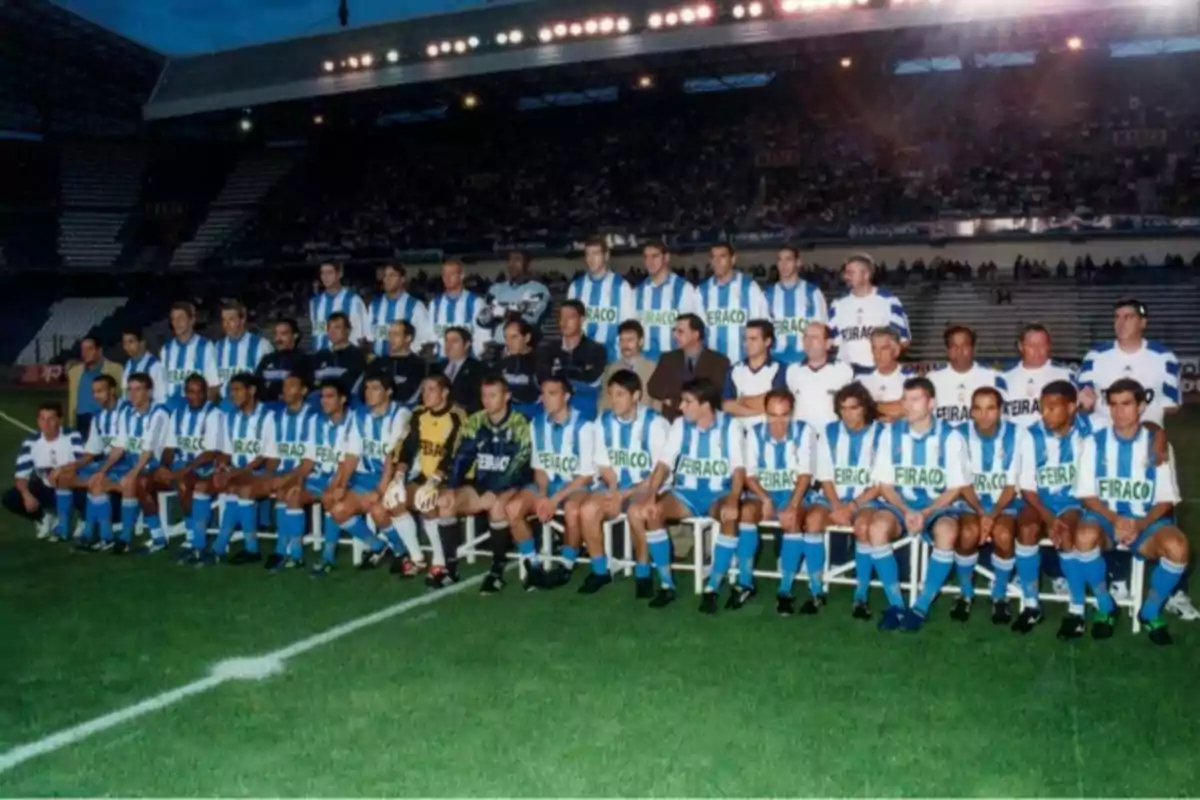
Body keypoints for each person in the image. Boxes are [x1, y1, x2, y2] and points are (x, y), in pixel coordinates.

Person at [1074, 378, 1188, 646]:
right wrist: (1115, 519)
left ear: (1141, 406)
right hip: (1105, 518)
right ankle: (1106, 605)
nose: (1118, 411)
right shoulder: (1093, 443)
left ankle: (1149, 612)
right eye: (1113, 405)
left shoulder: (1157, 447)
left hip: (1147, 522)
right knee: (1084, 536)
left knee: (1178, 548)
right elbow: (1087, 494)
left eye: (1126, 404)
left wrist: (1138, 523)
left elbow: (1165, 500)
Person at [627, 378, 747, 611]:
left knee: (729, 516)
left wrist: (733, 499)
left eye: (687, 401)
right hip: (686, 493)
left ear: (705, 405)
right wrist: (652, 494)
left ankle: (712, 587)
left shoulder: (731, 426)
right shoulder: (681, 425)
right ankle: (666, 585)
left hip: (717, 493)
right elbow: (663, 464)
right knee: (653, 512)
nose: (681, 406)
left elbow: (738, 469)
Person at [870, 376, 971, 632]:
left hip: (937, 506)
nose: (908, 405)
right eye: (905, 399)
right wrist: (906, 511)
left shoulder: (950, 437)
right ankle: (896, 605)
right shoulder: (890, 434)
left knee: (947, 532)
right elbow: (885, 485)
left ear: (931, 403)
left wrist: (926, 512)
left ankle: (921, 606)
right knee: (877, 528)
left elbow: (955, 488)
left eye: (916, 399)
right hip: (900, 504)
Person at [430, 376, 533, 595]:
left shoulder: (520, 422)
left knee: (497, 507)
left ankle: (497, 571)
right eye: (484, 395)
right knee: (446, 500)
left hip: (513, 485)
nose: (487, 400)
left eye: (493, 395)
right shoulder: (475, 421)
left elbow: (519, 463)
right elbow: (462, 457)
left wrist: (495, 492)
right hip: (482, 484)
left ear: (506, 397)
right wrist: (451, 485)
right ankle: (450, 569)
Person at [583, 370, 671, 597]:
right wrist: (613, 491)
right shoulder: (602, 421)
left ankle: (643, 573)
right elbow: (602, 463)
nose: (614, 400)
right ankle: (600, 570)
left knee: (636, 512)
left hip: (649, 487)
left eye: (620, 394)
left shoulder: (655, 423)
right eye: (611, 394)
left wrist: (625, 494)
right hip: (616, 485)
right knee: (588, 510)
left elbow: (659, 473)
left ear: (636, 396)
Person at [1014, 380, 1092, 635]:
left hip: (1075, 500)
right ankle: (1031, 604)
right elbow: (1027, 487)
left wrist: (1157, 435)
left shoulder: (1091, 429)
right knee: (1026, 528)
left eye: (1052, 408)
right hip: (1038, 500)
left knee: (1068, 530)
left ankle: (1077, 610)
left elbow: (1140, 424)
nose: (1045, 414)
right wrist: (1048, 518)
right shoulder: (1030, 435)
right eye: (1042, 407)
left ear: (1071, 407)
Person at [505, 377, 597, 590]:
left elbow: (586, 476)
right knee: (512, 508)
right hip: (548, 485)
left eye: (552, 393)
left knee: (573, 510)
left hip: (576, 485)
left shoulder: (584, 427)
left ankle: (565, 566)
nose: (545, 399)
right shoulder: (537, 424)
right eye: (543, 393)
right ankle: (533, 567)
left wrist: (554, 500)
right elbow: (539, 468)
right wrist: (543, 495)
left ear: (566, 397)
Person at [318, 374, 411, 575]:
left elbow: (392, 457)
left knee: (377, 509)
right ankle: (379, 547)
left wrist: (379, 490)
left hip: (394, 477)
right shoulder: (359, 416)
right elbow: (351, 455)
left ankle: (402, 552)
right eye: (367, 388)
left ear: (389, 392)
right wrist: (341, 484)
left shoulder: (400, 414)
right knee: (338, 509)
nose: (369, 393)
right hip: (364, 477)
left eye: (375, 388)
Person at [811, 382, 886, 619]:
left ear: (865, 407)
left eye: (853, 408)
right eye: (842, 408)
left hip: (867, 501)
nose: (847, 414)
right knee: (813, 521)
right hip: (834, 499)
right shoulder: (831, 431)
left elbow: (880, 484)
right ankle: (816, 591)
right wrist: (836, 507)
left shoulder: (882, 434)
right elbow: (825, 476)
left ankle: (860, 596)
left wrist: (852, 507)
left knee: (864, 527)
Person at [740, 389, 818, 614]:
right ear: (765, 413)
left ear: (791, 413)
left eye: (783, 415)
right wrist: (764, 498)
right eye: (773, 415)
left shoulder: (804, 431)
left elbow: (805, 475)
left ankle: (785, 590)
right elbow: (750, 474)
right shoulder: (755, 433)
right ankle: (746, 583)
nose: (778, 421)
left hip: (794, 493)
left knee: (792, 519)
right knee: (746, 513)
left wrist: (792, 505)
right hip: (764, 492)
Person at [386, 374, 467, 583]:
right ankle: (417, 558)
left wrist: (434, 481)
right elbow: (406, 447)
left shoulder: (458, 415)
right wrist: (398, 476)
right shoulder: (418, 414)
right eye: (424, 390)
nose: (426, 394)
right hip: (425, 476)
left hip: (452, 479)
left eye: (432, 389)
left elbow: (453, 453)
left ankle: (439, 561)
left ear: (444, 392)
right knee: (393, 500)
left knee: (427, 500)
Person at [190, 373, 277, 565]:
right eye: (231, 391)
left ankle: (243, 548)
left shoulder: (267, 417)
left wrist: (233, 473)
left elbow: (265, 457)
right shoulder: (230, 418)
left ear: (252, 390)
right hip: (237, 472)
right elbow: (226, 452)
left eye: (237, 390)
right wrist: (221, 467)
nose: (233, 395)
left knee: (238, 489)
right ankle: (197, 546)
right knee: (202, 487)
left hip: (261, 473)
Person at [83, 373, 170, 555]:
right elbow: (119, 447)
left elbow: (148, 450)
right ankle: (105, 537)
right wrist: (102, 470)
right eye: (130, 390)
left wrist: (132, 473)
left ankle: (126, 538)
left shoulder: (159, 413)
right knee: (97, 481)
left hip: (152, 465)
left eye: (138, 389)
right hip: (131, 463)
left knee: (131, 482)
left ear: (149, 392)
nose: (133, 394)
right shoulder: (127, 413)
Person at [957, 387, 1023, 625]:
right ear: (971, 411)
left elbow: (1011, 483)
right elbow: (962, 482)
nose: (984, 415)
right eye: (979, 409)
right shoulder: (959, 435)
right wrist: (981, 513)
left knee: (1004, 535)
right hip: (971, 501)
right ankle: (965, 592)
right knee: (967, 534)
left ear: (1001, 411)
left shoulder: (1016, 434)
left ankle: (1000, 595)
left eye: (991, 408)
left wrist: (992, 514)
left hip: (1003, 502)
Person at [277, 381, 359, 573]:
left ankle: (327, 557)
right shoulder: (316, 422)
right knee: (293, 495)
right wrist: (298, 481)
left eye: (330, 396)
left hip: (348, 478)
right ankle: (295, 556)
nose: (324, 401)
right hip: (319, 477)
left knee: (330, 498)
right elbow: (308, 460)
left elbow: (347, 463)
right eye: (322, 396)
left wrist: (335, 486)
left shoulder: (354, 422)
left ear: (343, 399)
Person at [146, 374, 222, 560]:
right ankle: (157, 536)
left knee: (183, 483)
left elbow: (211, 453)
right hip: (181, 468)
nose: (194, 396)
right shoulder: (178, 413)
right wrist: (164, 466)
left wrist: (184, 470)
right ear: (184, 393)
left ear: (206, 394)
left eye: (199, 392)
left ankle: (192, 535)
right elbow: (170, 446)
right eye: (190, 392)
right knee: (142, 481)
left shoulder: (214, 413)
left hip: (205, 469)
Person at [1078, 299, 1180, 428]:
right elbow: (1083, 399)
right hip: (1103, 439)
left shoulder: (1164, 357)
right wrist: (1084, 400)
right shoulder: (1094, 356)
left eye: (1128, 317)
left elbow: (1172, 405)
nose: (1121, 323)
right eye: (1117, 317)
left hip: (1146, 438)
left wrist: (1137, 412)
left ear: (1142, 323)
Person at [52, 374, 126, 548]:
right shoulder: (99, 417)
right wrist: (70, 467)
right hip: (108, 464)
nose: (96, 396)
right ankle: (63, 529)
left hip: (124, 464)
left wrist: (101, 471)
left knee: (96, 481)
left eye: (100, 391)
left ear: (112, 391)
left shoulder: (127, 412)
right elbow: (91, 452)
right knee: (64, 478)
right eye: (94, 392)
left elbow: (121, 450)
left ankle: (101, 535)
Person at [257, 373, 319, 568]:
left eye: (292, 386)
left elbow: (309, 463)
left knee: (288, 493)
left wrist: (284, 480)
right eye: (284, 386)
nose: (285, 390)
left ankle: (293, 552)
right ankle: (282, 550)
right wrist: (267, 477)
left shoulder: (314, 418)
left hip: (310, 473)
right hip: (284, 473)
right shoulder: (275, 418)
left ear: (303, 391)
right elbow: (273, 456)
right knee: (274, 488)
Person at [4, 403, 83, 540]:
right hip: (46, 489)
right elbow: (21, 476)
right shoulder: (31, 442)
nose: (46, 423)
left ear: (60, 420)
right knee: (11, 498)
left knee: (87, 487)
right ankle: (43, 517)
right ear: (38, 421)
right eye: (42, 419)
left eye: (51, 419)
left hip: (71, 487)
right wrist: (26, 495)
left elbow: (83, 463)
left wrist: (63, 470)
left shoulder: (72, 436)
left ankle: (83, 520)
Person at [828, 254, 910, 370]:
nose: (846, 277)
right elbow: (832, 342)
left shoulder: (889, 301)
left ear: (866, 274)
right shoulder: (837, 304)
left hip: (877, 372)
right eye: (846, 273)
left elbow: (903, 341)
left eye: (851, 272)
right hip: (845, 373)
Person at [646, 313, 731, 422]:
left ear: (695, 334)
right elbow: (653, 388)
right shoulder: (668, 358)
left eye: (680, 332)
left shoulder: (719, 361)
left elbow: (713, 393)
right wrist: (683, 401)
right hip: (672, 423)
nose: (675, 336)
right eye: (674, 331)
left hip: (706, 425)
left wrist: (672, 400)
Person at [697, 242, 770, 365]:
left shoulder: (749, 288)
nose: (717, 261)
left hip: (742, 365)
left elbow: (762, 328)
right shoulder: (701, 291)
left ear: (733, 259)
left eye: (722, 256)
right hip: (711, 366)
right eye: (713, 257)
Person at [633, 241, 704, 361]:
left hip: (675, 361)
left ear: (666, 258)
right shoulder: (638, 291)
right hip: (644, 362)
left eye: (655, 256)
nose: (649, 261)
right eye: (646, 257)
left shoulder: (683, 289)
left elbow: (690, 331)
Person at [567, 236, 635, 361]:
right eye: (588, 254)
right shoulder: (575, 288)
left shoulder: (622, 287)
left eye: (596, 254)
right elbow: (569, 328)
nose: (591, 259)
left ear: (606, 256)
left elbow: (629, 327)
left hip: (611, 361)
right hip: (582, 361)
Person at [537, 300, 607, 420]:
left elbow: (592, 380)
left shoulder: (597, 350)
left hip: (585, 407)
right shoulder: (548, 350)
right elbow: (544, 378)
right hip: (555, 406)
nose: (564, 322)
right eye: (561, 318)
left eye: (570, 317)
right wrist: (577, 373)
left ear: (581, 320)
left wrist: (561, 373)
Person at [928, 325, 1007, 425]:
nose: (959, 351)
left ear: (973, 349)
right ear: (947, 351)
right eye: (954, 346)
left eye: (964, 345)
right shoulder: (931, 379)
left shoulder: (994, 378)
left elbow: (1003, 418)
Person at [1002, 324, 1075, 427]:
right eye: (1032, 345)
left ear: (1049, 346)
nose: (1037, 350)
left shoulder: (1066, 376)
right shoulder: (1004, 378)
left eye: (1042, 345)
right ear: (1020, 346)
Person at [785, 322, 855, 429]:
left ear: (828, 343)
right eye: (806, 337)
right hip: (801, 439)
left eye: (814, 338)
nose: (809, 342)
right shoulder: (792, 371)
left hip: (831, 438)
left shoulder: (844, 371)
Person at [766, 245, 827, 364]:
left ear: (798, 262)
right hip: (776, 361)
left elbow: (822, 328)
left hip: (804, 361)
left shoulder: (813, 293)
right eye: (780, 259)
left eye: (788, 259)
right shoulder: (768, 294)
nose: (783, 264)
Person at [721, 319, 788, 426]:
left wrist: (742, 400)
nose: (747, 344)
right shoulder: (734, 370)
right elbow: (726, 406)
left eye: (753, 339)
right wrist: (759, 407)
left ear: (767, 341)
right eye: (745, 339)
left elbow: (776, 403)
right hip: (738, 434)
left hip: (767, 433)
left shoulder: (780, 369)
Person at [480, 250, 550, 347]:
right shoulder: (495, 289)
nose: (512, 264)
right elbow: (483, 319)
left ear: (527, 264)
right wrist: (514, 310)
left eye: (517, 260)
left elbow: (526, 319)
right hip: (499, 346)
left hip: (526, 347)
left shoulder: (538, 289)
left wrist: (500, 311)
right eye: (510, 260)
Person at [160, 301, 220, 411]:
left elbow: (213, 386)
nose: (176, 323)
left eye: (180, 318)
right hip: (170, 411)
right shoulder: (166, 349)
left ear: (192, 320)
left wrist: (201, 413)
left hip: (196, 410)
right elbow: (162, 386)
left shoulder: (205, 346)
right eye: (173, 319)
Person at [214, 300, 273, 410]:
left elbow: (268, 382)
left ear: (243, 319)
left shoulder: (261, 345)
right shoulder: (218, 347)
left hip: (252, 408)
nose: (226, 325)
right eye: (224, 320)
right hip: (224, 408)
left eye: (231, 320)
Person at [368, 263, 433, 357]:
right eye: (385, 276)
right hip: (378, 363)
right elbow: (369, 337)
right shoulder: (375, 305)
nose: (387, 279)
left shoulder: (415, 306)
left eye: (392, 275)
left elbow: (425, 338)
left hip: (404, 362)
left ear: (402, 280)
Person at [429, 258, 488, 358]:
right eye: (444, 275)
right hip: (442, 361)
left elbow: (482, 334)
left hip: (469, 361)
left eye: (452, 274)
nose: (447, 278)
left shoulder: (476, 302)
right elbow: (431, 333)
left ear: (462, 276)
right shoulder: (435, 304)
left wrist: (478, 357)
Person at [67, 335, 123, 439]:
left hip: (106, 418)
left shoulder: (116, 369)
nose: (85, 353)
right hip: (81, 420)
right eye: (83, 350)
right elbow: (72, 399)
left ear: (99, 350)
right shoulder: (74, 372)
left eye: (89, 349)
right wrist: (71, 423)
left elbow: (121, 394)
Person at [597, 320, 657, 414]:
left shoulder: (653, 369)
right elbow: (604, 400)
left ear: (641, 341)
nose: (625, 345)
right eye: (622, 340)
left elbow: (657, 404)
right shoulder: (611, 369)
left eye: (630, 340)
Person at [309, 262, 369, 351]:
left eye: (329, 273)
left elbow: (361, 334)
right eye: (322, 273)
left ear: (339, 274)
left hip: (346, 356)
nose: (325, 277)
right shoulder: (314, 302)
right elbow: (317, 330)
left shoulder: (354, 300)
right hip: (320, 357)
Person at [366, 320, 427, 408]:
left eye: (396, 334)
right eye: (390, 334)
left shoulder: (419, 365)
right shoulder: (376, 363)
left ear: (408, 338)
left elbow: (414, 396)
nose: (391, 339)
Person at [856, 328, 911, 422]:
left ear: (896, 351)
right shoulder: (861, 379)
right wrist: (891, 407)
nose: (877, 355)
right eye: (874, 348)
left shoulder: (910, 378)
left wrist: (871, 406)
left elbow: (906, 409)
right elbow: (856, 413)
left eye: (883, 349)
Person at [255, 318, 313, 407]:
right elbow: (256, 384)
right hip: (265, 408)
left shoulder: (304, 360)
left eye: (283, 334)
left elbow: (306, 388)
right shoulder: (267, 359)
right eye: (276, 334)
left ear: (295, 335)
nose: (278, 339)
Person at [311, 312, 368, 399]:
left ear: (348, 330)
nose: (332, 331)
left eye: (337, 327)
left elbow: (358, 387)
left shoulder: (358, 355)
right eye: (329, 328)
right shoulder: (320, 355)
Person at [436, 326, 486, 414]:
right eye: (446, 341)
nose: (449, 345)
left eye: (454, 341)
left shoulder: (479, 369)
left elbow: (479, 401)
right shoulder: (437, 367)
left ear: (466, 345)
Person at [499, 318, 541, 419]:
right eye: (506, 338)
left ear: (527, 338)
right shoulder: (503, 362)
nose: (509, 343)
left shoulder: (541, 361)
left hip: (535, 414)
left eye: (514, 337)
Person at [121, 328, 166, 405]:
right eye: (124, 343)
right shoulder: (128, 365)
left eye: (131, 342)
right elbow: (125, 393)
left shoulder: (155, 366)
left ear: (142, 342)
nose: (127, 346)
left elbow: (160, 398)